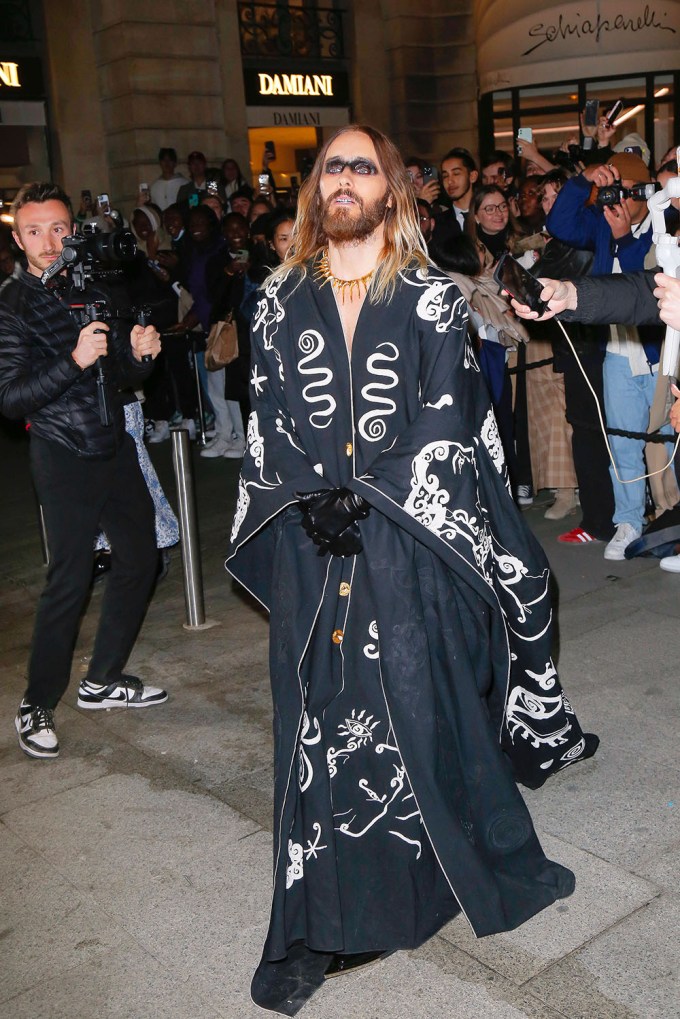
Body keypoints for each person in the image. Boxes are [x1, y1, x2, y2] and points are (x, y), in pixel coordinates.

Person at [226, 124, 597, 1015]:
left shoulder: (433, 297)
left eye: (362, 166)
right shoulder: (276, 300)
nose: (344, 179)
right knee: (323, 720)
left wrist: (380, 499)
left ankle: (423, 883)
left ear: (390, 189)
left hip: (410, 540)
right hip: (312, 543)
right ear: (317, 191)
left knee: (412, 705)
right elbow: (269, 415)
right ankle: (338, 908)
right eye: (331, 168)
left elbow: (448, 416)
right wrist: (308, 496)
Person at [0, 182, 168, 760]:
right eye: (35, 230)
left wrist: (140, 355)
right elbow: (11, 397)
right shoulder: (11, 302)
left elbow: (119, 370)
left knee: (142, 558)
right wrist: (74, 360)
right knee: (69, 580)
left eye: (59, 228)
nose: (50, 241)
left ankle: (101, 682)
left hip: (112, 440)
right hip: (60, 450)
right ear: (18, 238)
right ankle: (37, 703)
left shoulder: (94, 286)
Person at [546, 152, 672, 560]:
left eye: (622, 190)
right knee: (621, 443)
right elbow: (559, 223)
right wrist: (584, 179)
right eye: (608, 190)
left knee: (670, 442)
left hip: (661, 353)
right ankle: (628, 520)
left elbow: (646, 287)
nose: (613, 200)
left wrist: (623, 239)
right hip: (618, 352)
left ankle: (669, 518)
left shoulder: (664, 221)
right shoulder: (601, 223)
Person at [149, 147, 188, 211]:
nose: (167, 163)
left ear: (175, 163)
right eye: (164, 160)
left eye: (170, 160)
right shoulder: (154, 187)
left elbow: (193, 205)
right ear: (160, 163)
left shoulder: (186, 184)